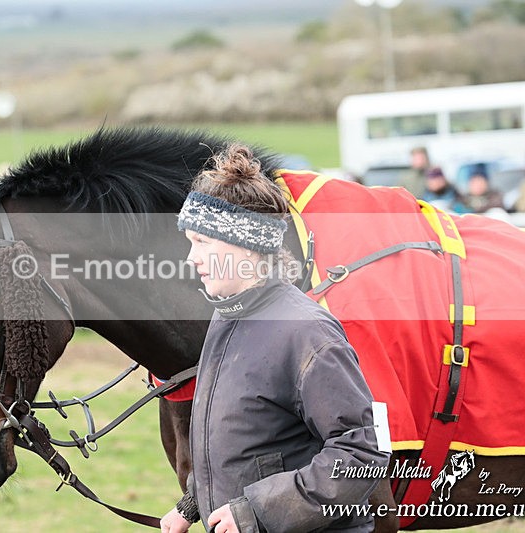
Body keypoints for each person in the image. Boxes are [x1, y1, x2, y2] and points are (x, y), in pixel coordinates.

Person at [161, 144, 389, 533]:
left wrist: (255, 512)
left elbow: (362, 453)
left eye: (203, 243)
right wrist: (190, 506)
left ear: (247, 247)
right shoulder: (225, 315)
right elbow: (237, 439)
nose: (191, 258)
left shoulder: (307, 333)